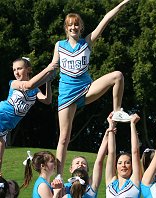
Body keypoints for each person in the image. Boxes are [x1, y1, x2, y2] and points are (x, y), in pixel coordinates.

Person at [51, 0, 132, 177]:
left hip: (86, 88)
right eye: (70, 25)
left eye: (76, 24)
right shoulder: (59, 45)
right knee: (64, 137)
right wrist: (36, 83)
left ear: (81, 27)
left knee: (117, 75)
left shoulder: (87, 42)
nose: (73, 27)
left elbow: (105, 19)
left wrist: (122, 4)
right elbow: (52, 67)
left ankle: (117, 110)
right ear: (66, 28)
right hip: (66, 94)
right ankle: (58, 174)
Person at [0, 57, 56, 170]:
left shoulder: (35, 91)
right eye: (14, 69)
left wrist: (48, 82)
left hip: (6, 127)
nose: (16, 72)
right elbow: (29, 85)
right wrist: (48, 69)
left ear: (28, 69)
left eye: (19, 68)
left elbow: (47, 100)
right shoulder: (14, 83)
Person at [64, 115, 110, 197]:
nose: (80, 164)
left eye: (83, 163)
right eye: (77, 163)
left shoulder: (92, 186)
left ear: (87, 169)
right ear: (70, 169)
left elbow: (99, 161)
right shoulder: (64, 187)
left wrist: (107, 135)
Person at [105, 113, 141, 197]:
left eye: (127, 162)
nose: (123, 165)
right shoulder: (111, 182)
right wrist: (111, 124)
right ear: (116, 165)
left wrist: (132, 124)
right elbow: (111, 153)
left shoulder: (134, 181)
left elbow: (135, 152)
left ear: (132, 166)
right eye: (120, 163)